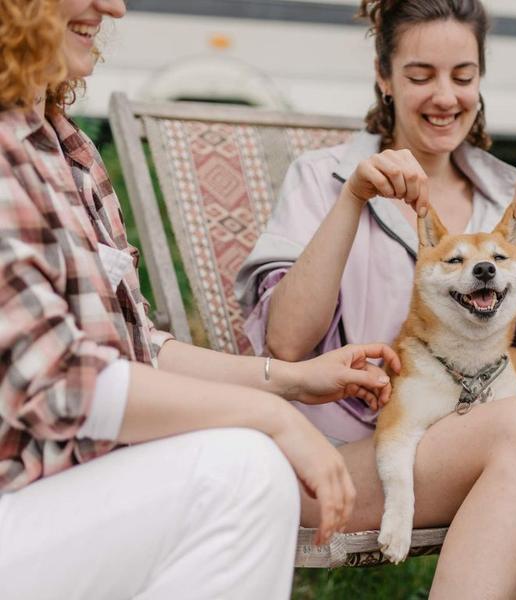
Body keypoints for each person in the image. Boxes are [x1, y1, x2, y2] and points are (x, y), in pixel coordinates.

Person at [236, 0, 516, 597]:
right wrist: (354, 198)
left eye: (463, 75)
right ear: (384, 76)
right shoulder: (323, 177)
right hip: (348, 457)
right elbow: (287, 342)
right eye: (421, 75)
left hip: (490, 435)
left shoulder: (508, 193)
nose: (445, 97)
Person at [0, 1, 402, 598]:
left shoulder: (67, 148)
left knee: (245, 466)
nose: (114, 7)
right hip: (18, 496)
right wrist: (270, 418)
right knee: (242, 471)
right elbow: (59, 381)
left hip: (61, 490)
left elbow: (139, 348)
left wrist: (290, 381)